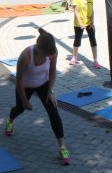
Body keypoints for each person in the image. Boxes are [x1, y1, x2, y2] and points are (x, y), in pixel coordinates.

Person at [5, 28, 71, 165]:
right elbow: (19, 80)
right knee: (20, 109)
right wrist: (24, 101)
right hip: (26, 86)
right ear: (39, 49)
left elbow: (52, 71)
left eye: (50, 54)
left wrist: (51, 91)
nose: (49, 56)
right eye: (46, 54)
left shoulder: (52, 53)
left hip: (43, 84)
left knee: (53, 110)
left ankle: (62, 147)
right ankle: (10, 119)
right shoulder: (25, 56)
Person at [69, 0, 102, 69]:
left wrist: (92, 22)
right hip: (79, 23)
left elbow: (92, 10)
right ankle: (74, 57)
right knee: (77, 41)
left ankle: (95, 61)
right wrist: (80, 23)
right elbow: (76, 12)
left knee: (93, 41)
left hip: (89, 23)